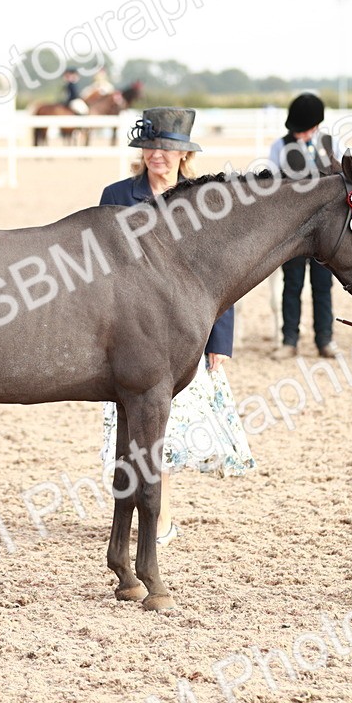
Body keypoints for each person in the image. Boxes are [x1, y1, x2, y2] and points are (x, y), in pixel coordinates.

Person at [98, 107, 255, 546]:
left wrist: (218, 341)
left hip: (184, 337)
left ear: (184, 153)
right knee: (137, 432)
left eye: (167, 148)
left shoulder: (203, 202)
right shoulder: (116, 195)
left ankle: (158, 515)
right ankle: (151, 517)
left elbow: (223, 276)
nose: (157, 156)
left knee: (163, 435)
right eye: (151, 146)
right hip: (128, 339)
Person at [268, 92, 338, 357]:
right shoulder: (280, 147)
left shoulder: (332, 143)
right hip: (295, 229)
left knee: (323, 285)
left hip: (325, 229)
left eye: (305, 129)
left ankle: (325, 340)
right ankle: (289, 340)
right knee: (292, 284)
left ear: (316, 126)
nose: (299, 135)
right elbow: (271, 184)